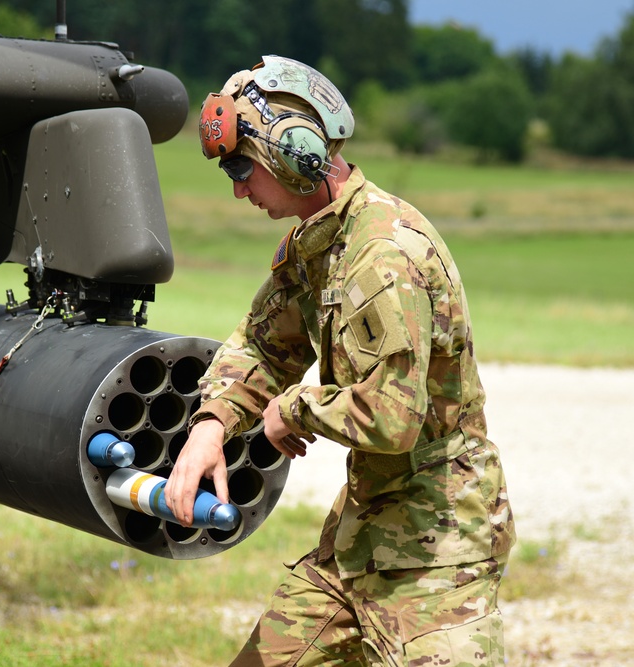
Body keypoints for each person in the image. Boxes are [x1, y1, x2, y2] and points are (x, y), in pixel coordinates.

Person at [164, 55, 515, 666]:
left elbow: (392, 416)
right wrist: (210, 425)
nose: (239, 188)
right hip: (360, 542)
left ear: (294, 155)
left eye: (242, 168)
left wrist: (293, 411)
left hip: (436, 558)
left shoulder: (383, 257)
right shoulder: (318, 240)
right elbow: (265, 343)